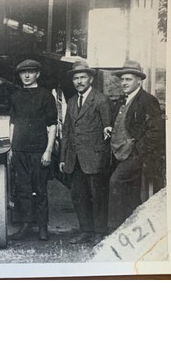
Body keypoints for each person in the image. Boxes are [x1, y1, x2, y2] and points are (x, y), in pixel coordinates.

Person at [59, 60, 112, 244]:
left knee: (98, 196)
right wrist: (64, 157)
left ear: (90, 79)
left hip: (95, 157)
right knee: (79, 196)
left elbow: (108, 130)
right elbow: (66, 131)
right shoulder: (72, 101)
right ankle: (86, 230)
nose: (79, 81)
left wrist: (103, 157)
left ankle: (100, 232)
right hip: (75, 158)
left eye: (83, 77)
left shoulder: (101, 100)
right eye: (76, 78)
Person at [108, 60, 165, 230]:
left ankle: (114, 230)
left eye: (128, 79)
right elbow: (121, 123)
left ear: (139, 81)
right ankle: (130, 231)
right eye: (122, 79)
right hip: (121, 154)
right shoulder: (121, 101)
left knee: (115, 182)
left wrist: (137, 151)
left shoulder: (148, 101)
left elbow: (156, 132)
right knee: (131, 194)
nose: (124, 83)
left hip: (137, 156)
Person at [8, 59, 57, 241]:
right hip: (19, 150)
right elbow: (12, 123)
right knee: (23, 189)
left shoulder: (46, 96)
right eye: (23, 72)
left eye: (30, 72)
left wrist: (48, 151)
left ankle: (43, 227)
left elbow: (52, 125)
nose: (26, 75)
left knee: (40, 189)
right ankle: (26, 225)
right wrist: (11, 148)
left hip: (39, 150)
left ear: (38, 74)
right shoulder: (15, 96)